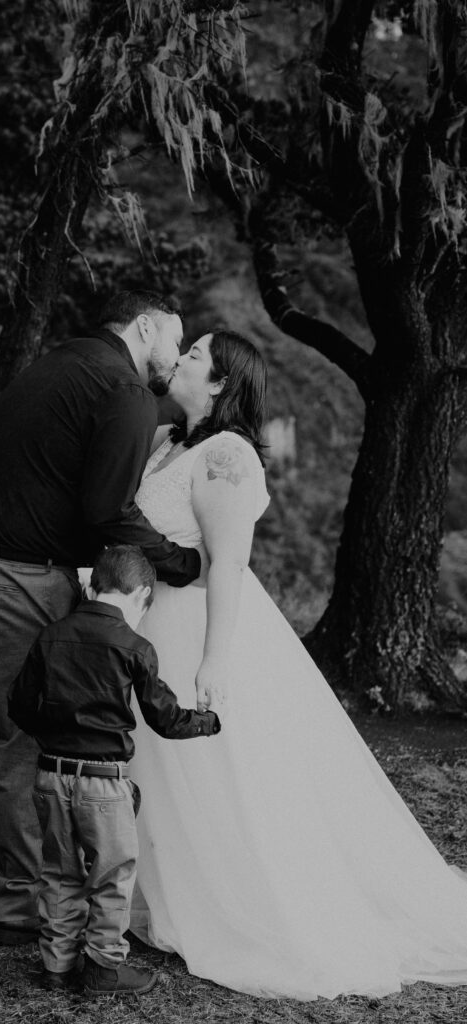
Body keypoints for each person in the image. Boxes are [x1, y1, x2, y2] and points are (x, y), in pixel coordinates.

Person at [122, 328, 467, 1000]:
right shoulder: (168, 443)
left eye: (195, 355)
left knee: (214, 772)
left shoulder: (227, 455)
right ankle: (147, 888)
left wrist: (215, 656)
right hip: (147, 617)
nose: (183, 358)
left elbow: (227, 561)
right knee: (154, 768)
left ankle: (234, 899)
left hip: (196, 624)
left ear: (221, 383)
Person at [0, 291, 202, 946]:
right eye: (174, 342)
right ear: (143, 326)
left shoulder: (56, 362)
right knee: (27, 737)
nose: (175, 359)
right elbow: (107, 515)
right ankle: (16, 905)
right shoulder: (123, 389)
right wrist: (178, 562)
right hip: (17, 576)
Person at [8, 545, 220, 995]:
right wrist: (208, 721)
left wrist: (58, 732)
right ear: (143, 592)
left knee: (59, 872)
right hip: (103, 785)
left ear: (91, 584)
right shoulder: (134, 646)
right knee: (112, 874)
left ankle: (56, 965)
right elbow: (164, 719)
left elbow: (19, 706)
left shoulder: (51, 636)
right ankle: (104, 967)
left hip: (50, 774)